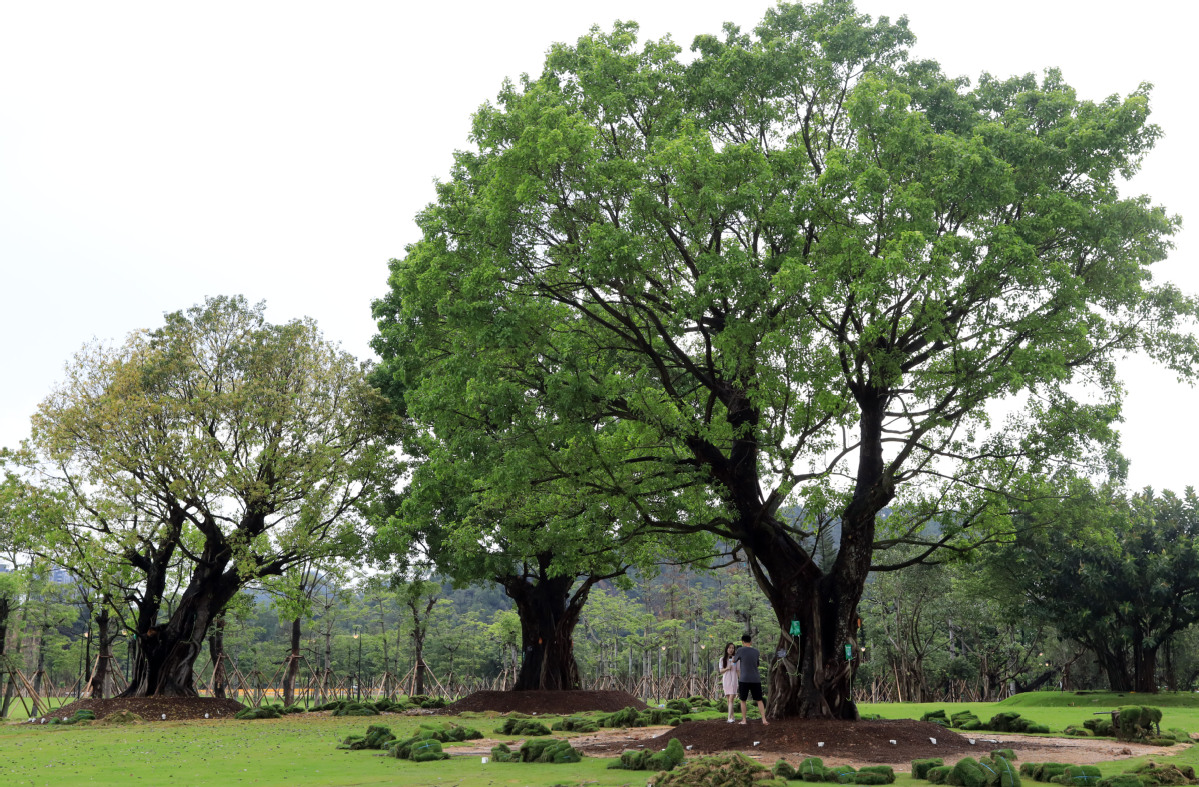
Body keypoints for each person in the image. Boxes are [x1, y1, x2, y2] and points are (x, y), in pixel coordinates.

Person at [733, 633, 768, 725]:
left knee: (743, 699)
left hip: (744, 678)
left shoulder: (740, 650)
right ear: (751, 642)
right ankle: (764, 719)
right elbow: (757, 664)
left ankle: (744, 720)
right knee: (759, 699)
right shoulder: (756, 651)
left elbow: (734, 660)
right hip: (756, 678)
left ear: (742, 642)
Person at [718, 642, 738, 722]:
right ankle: (732, 716)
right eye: (729, 648)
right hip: (726, 680)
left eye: (732, 648)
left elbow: (738, 670)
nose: (731, 649)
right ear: (726, 649)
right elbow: (721, 671)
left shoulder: (736, 659)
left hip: (734, 680)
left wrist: (742, 680)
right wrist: (727, 668)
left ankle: (729, 718)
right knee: (728, 700)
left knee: (731, 699)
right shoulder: (722, 659)